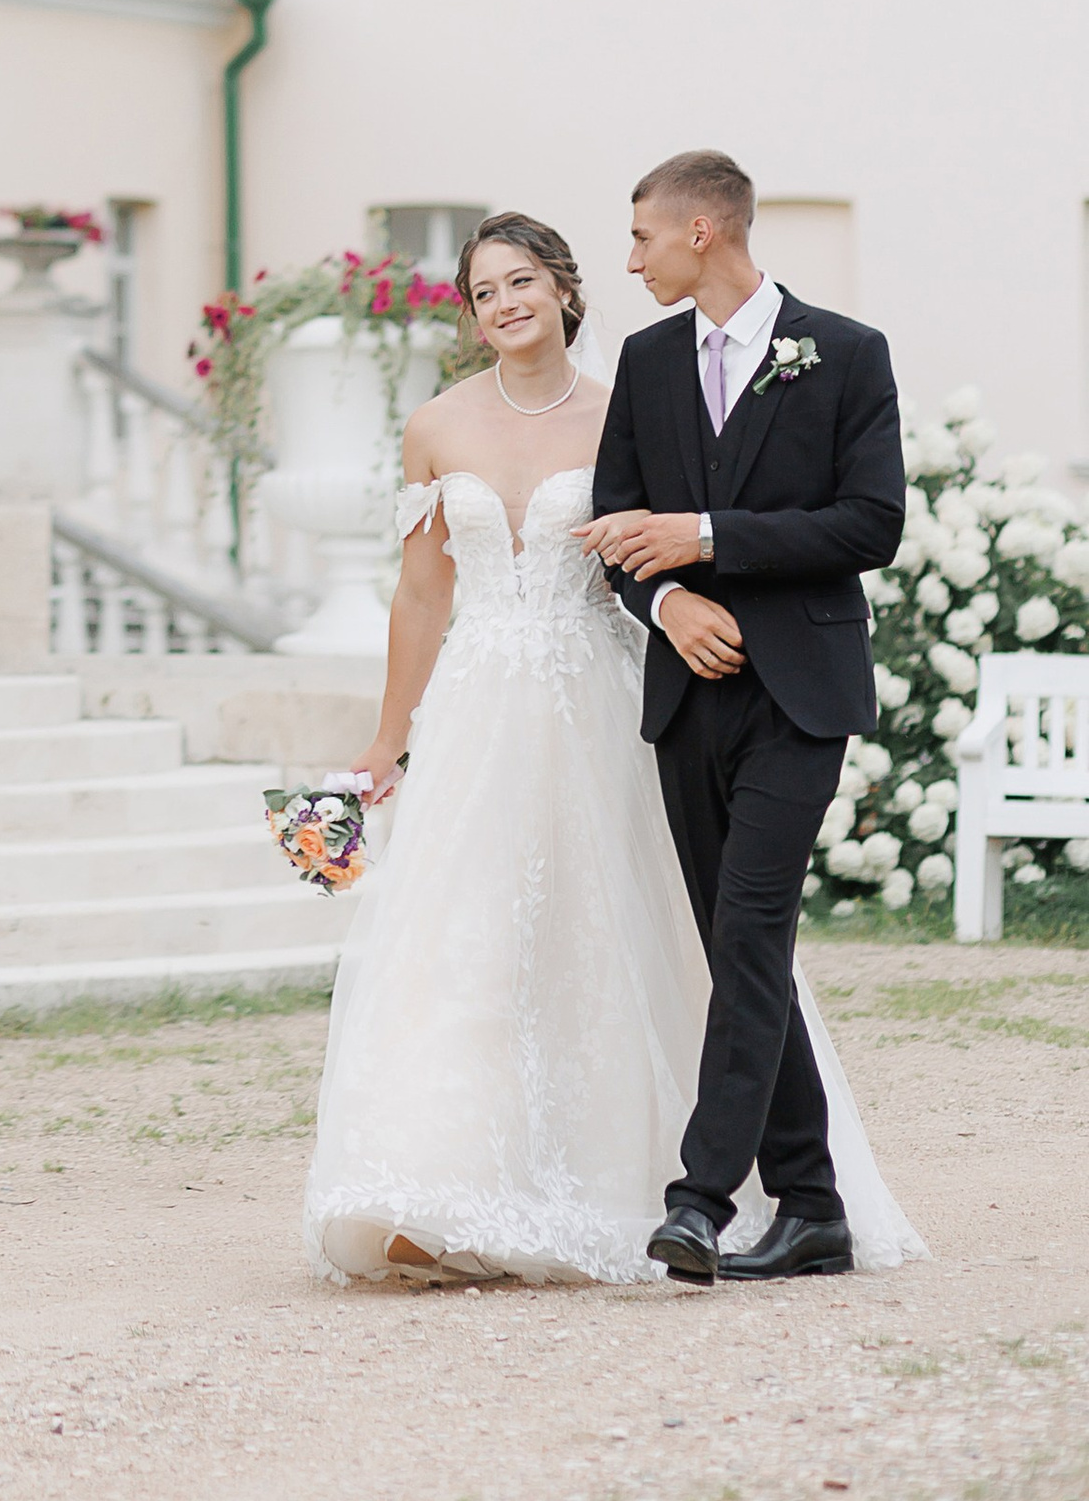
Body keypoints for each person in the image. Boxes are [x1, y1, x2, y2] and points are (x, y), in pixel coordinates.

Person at [300, 209, 917, 1288]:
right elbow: (418, 593)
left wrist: (678, 596)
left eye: (521, 280)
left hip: (607, 703)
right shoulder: (434, 426)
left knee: (644, 933)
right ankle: (434, 1183)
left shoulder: (629, 402)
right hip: (480, 711)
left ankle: (685, 1187)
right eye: (484, 290)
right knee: (465, 941)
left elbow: (661, 543)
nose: (504, 302)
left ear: (562, 288)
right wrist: (389, 737)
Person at [579, 148, 911, 1285]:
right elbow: (617, 521)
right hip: (686, 697)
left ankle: (699, 1199)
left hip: (801, 693)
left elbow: (870, 525)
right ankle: (812, 1206)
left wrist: (709, 537)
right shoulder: (647, 358)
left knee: (750, 936)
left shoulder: (846, 355)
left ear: (702, 233)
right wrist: (667, 599)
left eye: (642, 239)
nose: (630, 261)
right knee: (737, 950)